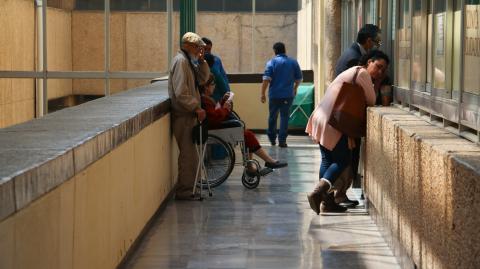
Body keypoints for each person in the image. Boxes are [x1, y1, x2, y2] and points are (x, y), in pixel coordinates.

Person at [306, 50, 390, 214]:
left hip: (323, 117)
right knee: (343, 160)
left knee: (328, 160)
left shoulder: (353, 71)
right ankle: (318, 192)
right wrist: (377, 85)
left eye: (383, 70)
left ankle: (327, 202)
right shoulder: (362, 73)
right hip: (335, 122)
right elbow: (371, 100)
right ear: (369, 62)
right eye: (378, 66)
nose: (380, 72)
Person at [333, 24, 381, 207]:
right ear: (369, 41)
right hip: (347, 117)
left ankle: (336, 194)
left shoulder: (351, 52)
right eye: (376, 42)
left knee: (343, 157)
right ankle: (339, 194)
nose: (377, 47)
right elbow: (364, 96)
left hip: (343, 115)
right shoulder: (354, 59)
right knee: (346, 158)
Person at [200, 74, 288, 172]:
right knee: (247, 135)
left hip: (216, 126)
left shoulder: (207, 99)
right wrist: (225, 108)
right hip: (215, 129)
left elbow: (215, 112)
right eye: (212, 84)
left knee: (247, 134)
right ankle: (267, 161)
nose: (214, 86)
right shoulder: (205, 100)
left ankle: (252, 166)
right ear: (205, 87)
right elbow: (214, 117)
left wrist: (223, 101)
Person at [168, 32, 210, 200]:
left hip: (188, 115)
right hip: (184, 116)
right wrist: (195, 107)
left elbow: (202, 79)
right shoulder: (181, 62)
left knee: (192, 155)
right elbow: (180, 92)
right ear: (188, 46)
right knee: (188, 156)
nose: (199, 50)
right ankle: (184, 191)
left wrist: (202, 60)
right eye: (197, 47)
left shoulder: (188, 61)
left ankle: (189, 188)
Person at [261, 42, 303, 148]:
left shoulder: (271, 62)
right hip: (288, 95)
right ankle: (282, 141)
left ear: (275, 51)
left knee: (272, 117)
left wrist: (262, 94)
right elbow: (299, 78)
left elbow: (266, 79)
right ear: (285, 50)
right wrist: (295, 88)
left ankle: (272, 138)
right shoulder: (293, 62)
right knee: (284, 117)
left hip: (274, 95)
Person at [202, 37, 230, 101]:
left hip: (219, 96)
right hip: (205, 98)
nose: (207, 52)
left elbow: (222, 78)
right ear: (200, 49)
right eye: (205, 49)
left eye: (209, 49)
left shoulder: (216, 60)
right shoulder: (196, 62)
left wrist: (227, 94)